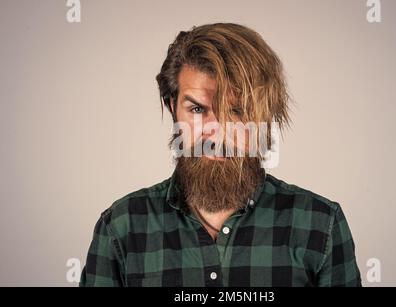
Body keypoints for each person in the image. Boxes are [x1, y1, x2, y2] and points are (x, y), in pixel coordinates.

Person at [80, 23, 361, 287]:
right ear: (171, 107)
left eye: (237, 111)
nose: (217, 134)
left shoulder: (320, 225)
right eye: (198, 110)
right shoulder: (120, 228)